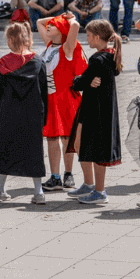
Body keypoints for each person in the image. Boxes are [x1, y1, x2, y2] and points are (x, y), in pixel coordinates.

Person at [0, 22, 49, 204]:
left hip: (8, 113)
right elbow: (44, 92)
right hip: (31, 114)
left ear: (9, 40)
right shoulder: (38, 62)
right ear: (28, 38)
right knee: (34, 152)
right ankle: (38, 192)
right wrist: (43, 117)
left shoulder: (3, 64)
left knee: (4, 149)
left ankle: (0, 190)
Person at [65, 20, 123, 205]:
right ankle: (90, 184)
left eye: (89, 35)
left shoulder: (97, 59)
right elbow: (88, 80)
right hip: (98, 107)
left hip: (95, 110)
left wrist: (80, 80)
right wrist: (86, 80)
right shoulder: (110, 55)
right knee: (80, 143)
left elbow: (79, 83)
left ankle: (99, 191)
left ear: (98, 37)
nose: (87, 38)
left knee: (95, 148)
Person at [39, 14, 85, 192]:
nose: (48, 27)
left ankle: (68, 173)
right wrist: (58, 17)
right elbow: (38, 21)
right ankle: (55, 176)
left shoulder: (67, 48)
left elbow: (75, 27)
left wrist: (70, 19)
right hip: (50, 98)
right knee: (51, 138)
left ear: (62, 30)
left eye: (53, 25)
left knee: (67, 138)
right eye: (49, 25)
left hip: (66, 98)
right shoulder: (50, 45)